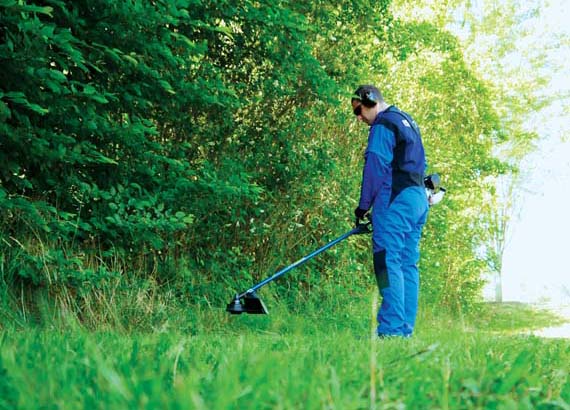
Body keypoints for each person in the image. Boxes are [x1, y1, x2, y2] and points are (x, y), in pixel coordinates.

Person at [351, 85, 429, 338]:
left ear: (370, 101)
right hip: (417, 199)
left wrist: (363, 206)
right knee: (407, 264)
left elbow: (375, 165)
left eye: (359, 111)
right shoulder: (406, 120)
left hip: (395, 198)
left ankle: (391, 330)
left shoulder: (383, 124)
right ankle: (404, 330)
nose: (359, 118)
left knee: (387, 261)